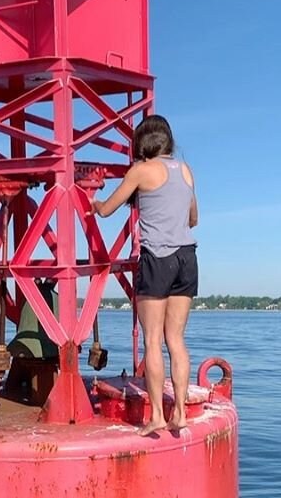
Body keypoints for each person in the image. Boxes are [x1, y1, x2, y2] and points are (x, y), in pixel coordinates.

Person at [91, 115, 198, 436]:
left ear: (140, 145)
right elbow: (193, 218)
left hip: (157, 259)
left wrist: (93, 203)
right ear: (169, 142)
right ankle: (179, 412)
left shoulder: (140, 170)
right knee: (176, 340)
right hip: (187, 257)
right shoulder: (186, 170)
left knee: (153, 340)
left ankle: (156, 418)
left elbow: (109, 208)